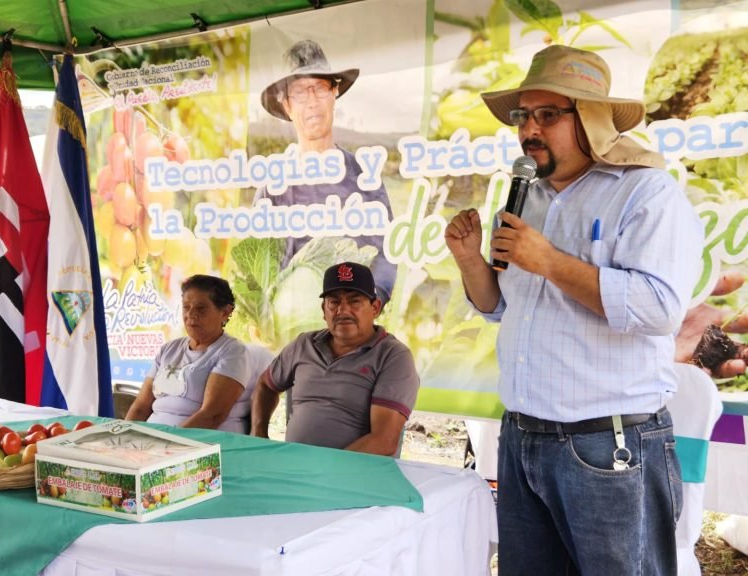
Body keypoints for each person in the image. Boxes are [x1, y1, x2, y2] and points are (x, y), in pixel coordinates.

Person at [444, 45, 704, 575]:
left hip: (608, 447)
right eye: (523, 115)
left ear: (590, 119)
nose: (529, 129)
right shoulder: (525, 198)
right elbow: (500, 307)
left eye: (547, 114)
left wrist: (550, 262)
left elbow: (659, 309)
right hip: (523, 440)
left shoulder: (645, 192)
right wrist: (470, 260)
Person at [255, 39, 396, 304]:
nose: (312, 102)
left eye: (320, 88)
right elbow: (260, 273)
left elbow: (385, 256)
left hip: (352, 320)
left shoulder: (364, 177)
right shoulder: (273, 188)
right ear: (287, 105)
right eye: (300, 92)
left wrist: (371, 302)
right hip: (292, 322)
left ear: (334, 93)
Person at [250, 261, 419, 456]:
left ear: (375, 307)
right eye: (334, 302)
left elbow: (384, 441)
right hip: (295, 465)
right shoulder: (304, 345)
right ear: (324, 310)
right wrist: (258, 434)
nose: (343, 311)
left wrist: (326, 468)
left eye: (355, 301)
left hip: (354, 472)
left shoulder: (393, 357)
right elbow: (266, 384)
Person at [125, 274, 258, 433]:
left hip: (199, 442)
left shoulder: (233, 352)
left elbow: (212, 416)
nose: (191, 314)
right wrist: (125, 435)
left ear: (225, 312)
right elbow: (140, 406)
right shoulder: (169, 349)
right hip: (155, 440)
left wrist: (167, 441)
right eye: (186, 307)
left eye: (201, 308)